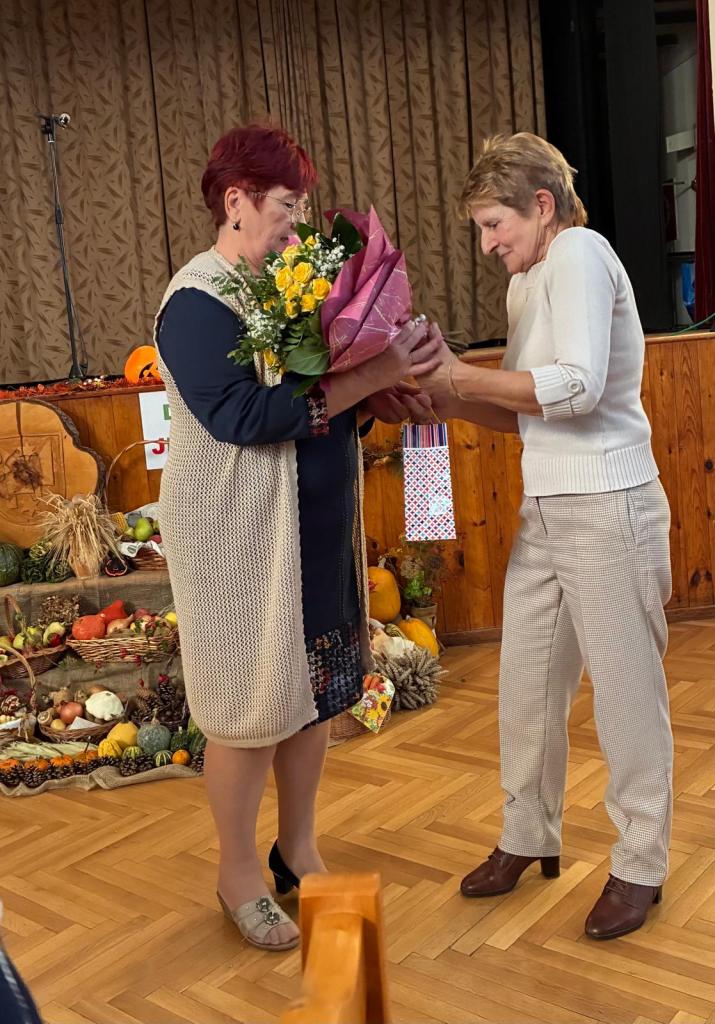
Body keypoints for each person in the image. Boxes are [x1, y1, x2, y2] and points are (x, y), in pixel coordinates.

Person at [154, 123, 439, 952]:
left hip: (312, 531)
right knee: (247, 714)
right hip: (238, 542)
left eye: (302, 206)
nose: (297, 221)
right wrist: (373, 374)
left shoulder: (286, 288)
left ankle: (298, 846)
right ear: (235, 201)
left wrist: (382, 393)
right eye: (287, 204)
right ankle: (237, 873)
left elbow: (324, 392)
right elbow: (243, 417)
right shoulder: (195, 301)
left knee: (310, 698)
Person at [420, 132, 673, 940]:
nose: (487, 244)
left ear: (540, 205)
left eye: (493, 225)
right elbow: (530, 409)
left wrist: (460, 375)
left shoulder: (580, 253)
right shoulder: (527, 281)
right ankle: (527, 835)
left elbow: (578, 387)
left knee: (626, 696)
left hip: (609, 505)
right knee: (525, 687)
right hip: (546, 507)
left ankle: (640, 863)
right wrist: (447, 401)